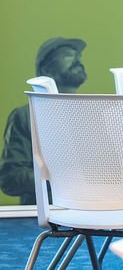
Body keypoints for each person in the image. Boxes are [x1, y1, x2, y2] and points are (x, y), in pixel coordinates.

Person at [0, 37, 88, 204]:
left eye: (79, 56)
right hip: (39, 222)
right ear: (46, 69)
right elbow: (10, 179)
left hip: (92, 216)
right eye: (68, 55)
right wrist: (57, 178)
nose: (78, 59)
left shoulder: (93, 116)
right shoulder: (26, 116)